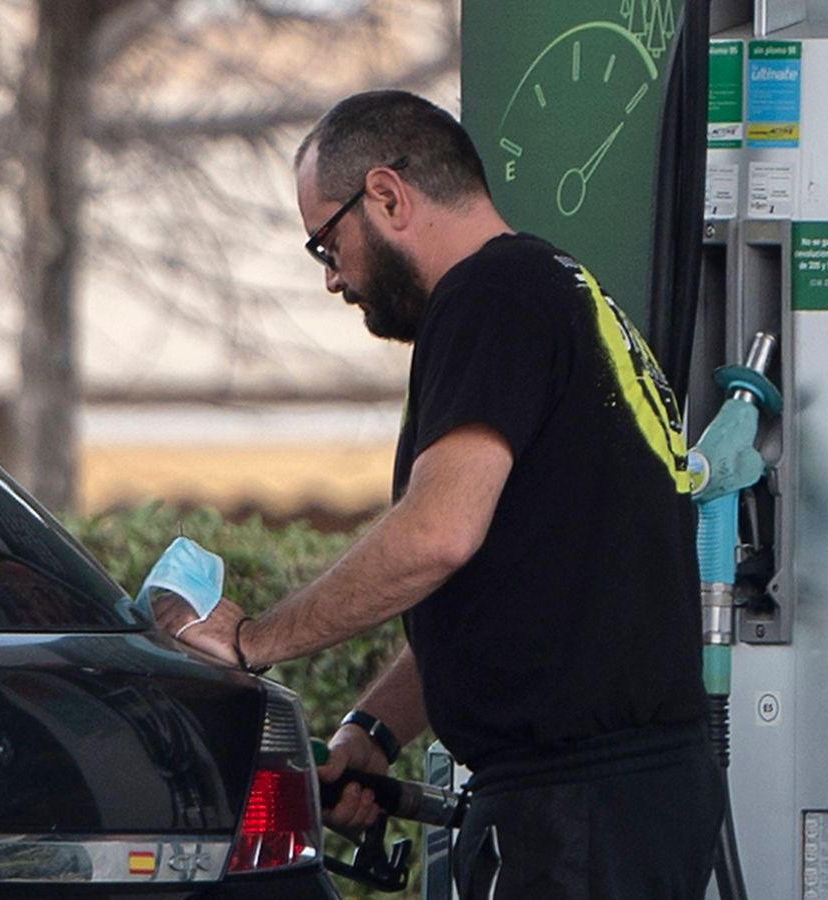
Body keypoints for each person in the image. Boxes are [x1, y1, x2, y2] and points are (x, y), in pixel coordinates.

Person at [156, 89, 723, 899]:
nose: (334, 279)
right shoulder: (553, 293)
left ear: (386, 196)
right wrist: (373, 733)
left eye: (327, 243)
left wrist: (254, 640)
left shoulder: (487, 297)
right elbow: (501, 584)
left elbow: (437, 536)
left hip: (577, 806)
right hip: (617, 798)